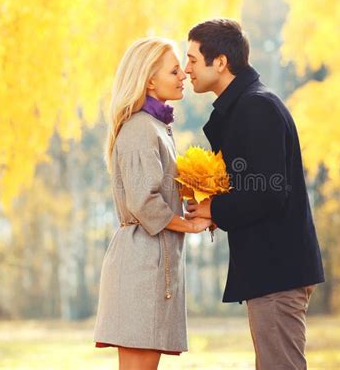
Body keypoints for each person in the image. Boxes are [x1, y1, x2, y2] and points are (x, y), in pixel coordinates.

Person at [184, 19, 325, 369]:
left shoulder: (256, 107)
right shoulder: (246, 106)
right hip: (272, 269)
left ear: (220, 62)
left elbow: (268, 193)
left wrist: (213, 208)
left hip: (277, 269)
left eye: (191, 59)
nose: (186, 70)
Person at [93, 37, 212, 370]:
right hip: (140, 268)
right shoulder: (141, 128)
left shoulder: (157, 127)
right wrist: (189, 225)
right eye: (174, 71)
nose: (184, 75)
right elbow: (145, 202)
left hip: (151, 263)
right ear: (149, 80)